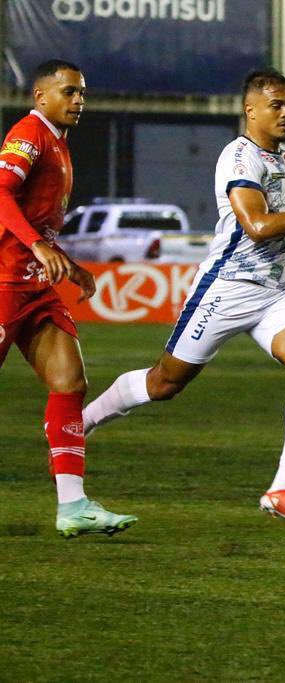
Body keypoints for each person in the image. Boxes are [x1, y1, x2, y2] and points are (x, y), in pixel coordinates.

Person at [82, 68, 285, 528]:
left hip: (275, 293)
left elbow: (275, 222)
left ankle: (283, 489)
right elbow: (254, 224)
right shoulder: (238, 157)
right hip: (227, 288)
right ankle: (82, 421)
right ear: (250, 110)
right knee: (164, 384)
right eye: (277, 104)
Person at [0, 59, 137, 537]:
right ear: (41, 96)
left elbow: (37, 220)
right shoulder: (29, 133)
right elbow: (0, 193)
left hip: (35, 286)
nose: (78, 100)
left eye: (82, 92)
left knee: (70, 382)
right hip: (2, 283)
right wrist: (36, 245)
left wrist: (67, 263)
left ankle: (72, 506)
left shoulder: (58, 142)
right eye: (68, 92)